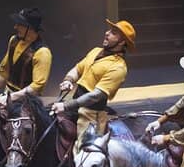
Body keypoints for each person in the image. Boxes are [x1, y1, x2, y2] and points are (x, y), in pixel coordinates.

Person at [51, 19, 135, 158]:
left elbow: (96, 96)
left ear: (122, 42)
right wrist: (68, 80)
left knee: (83, 153)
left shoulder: (119, 67)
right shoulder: (96, 51)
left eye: (113, 33)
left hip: (90, 114)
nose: (107, 33)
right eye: (109, 30)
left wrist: (66, 106)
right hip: (74, 105)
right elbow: (78, 68)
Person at [0, 7, 52, 108]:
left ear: (30, 28)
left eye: (20, 24)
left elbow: (37, 86)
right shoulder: (14, 41)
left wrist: (11, 97)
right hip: (7, 96)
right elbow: (4, 70)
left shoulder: (42, 53)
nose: (15, 27)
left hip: (27, 102)